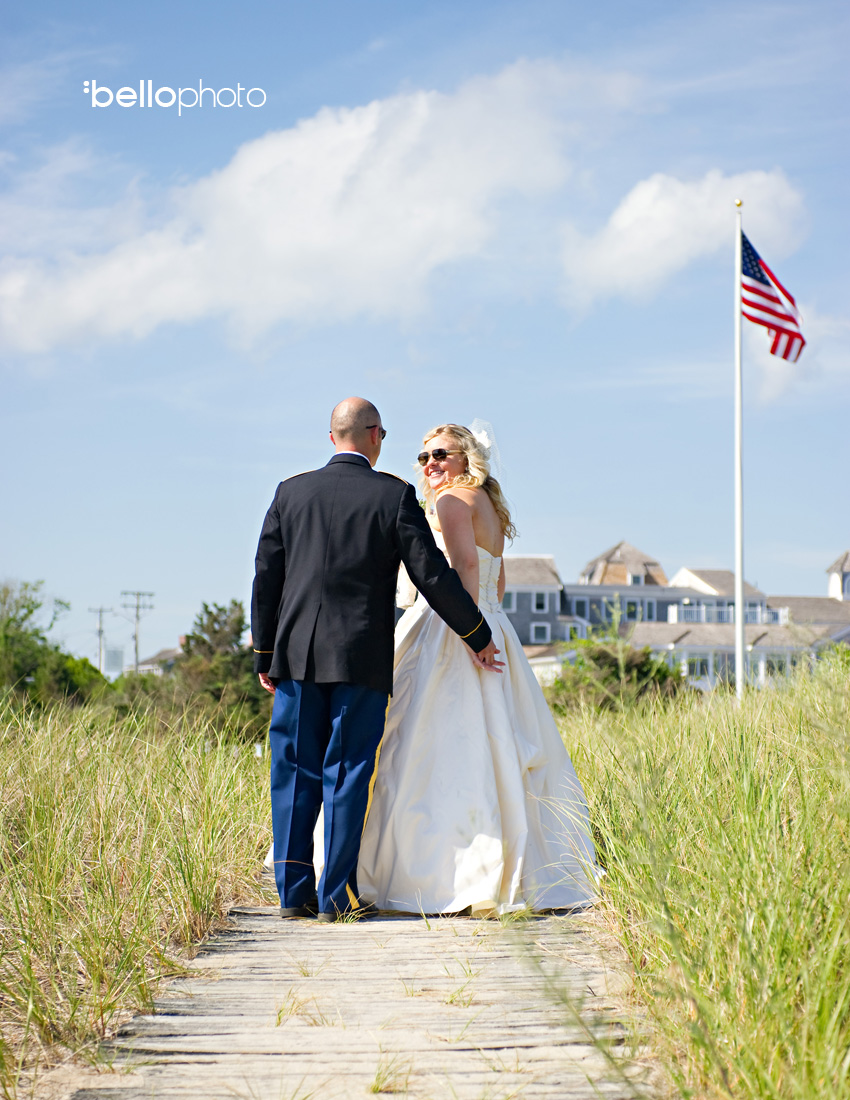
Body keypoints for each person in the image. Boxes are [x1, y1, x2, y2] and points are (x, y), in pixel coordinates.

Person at [251, 399, 502, 923]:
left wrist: (265, 652)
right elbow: (432, 575)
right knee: (347, 770)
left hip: (294, 658)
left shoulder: (289, 492)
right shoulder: (393, 496)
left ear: (331, 437)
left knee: (293, 771)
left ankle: (292, 892)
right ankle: (337, 895)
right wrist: (476, 632)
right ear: (374, 437)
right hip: (360, 658)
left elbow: (266, 577)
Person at [356, 422, 599, 916]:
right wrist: (489, 622)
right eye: (423, 458)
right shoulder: (488, 503)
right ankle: (525, 867)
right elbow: (498, 576)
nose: (430, 466)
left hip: (457, 623)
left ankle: (446, 873)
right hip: (494, 621)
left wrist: (469, 632)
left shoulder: (450, 502)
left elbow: (465, 566)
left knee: (426, 743)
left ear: (467, 456)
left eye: (440, 454)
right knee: (503, 740)